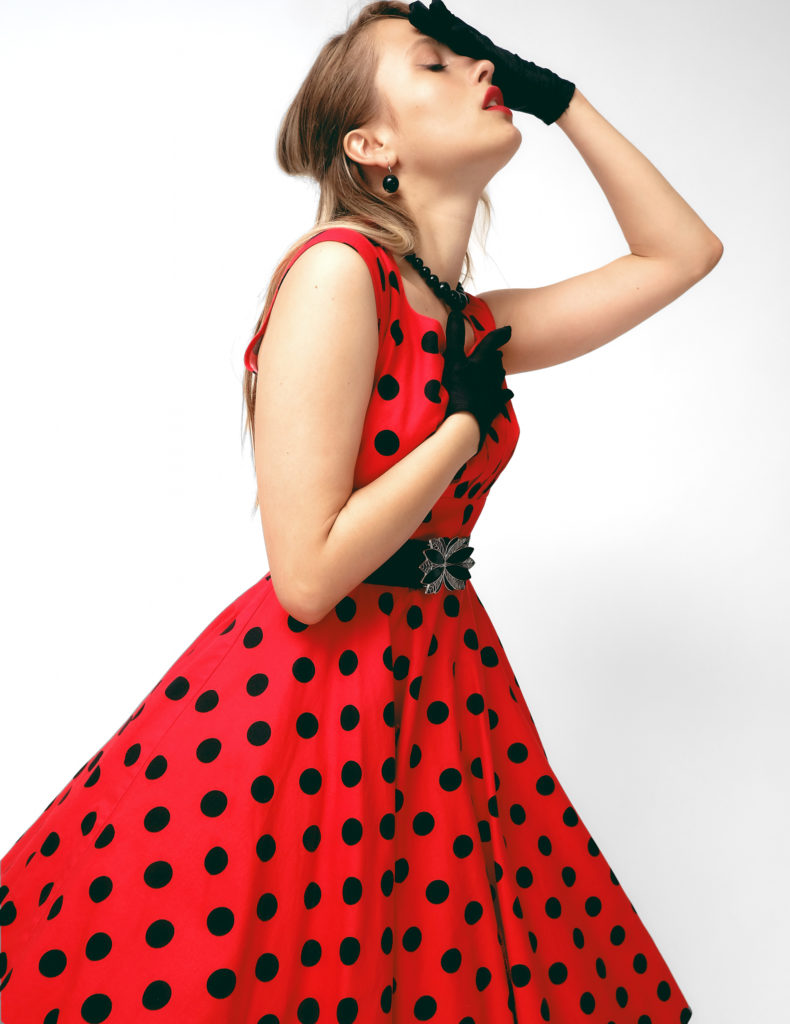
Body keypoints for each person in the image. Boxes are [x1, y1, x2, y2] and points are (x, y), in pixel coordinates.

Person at [0, 1, 721, 1021]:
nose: (479, 70)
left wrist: (560, 100)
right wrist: (460, 431)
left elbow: (680, 254)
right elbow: (306, 576)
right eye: (434, 64)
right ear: (371, 145)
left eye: (474, 59)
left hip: (441, 688)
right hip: (314, 702)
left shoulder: (469, 320)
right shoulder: (340, 272)